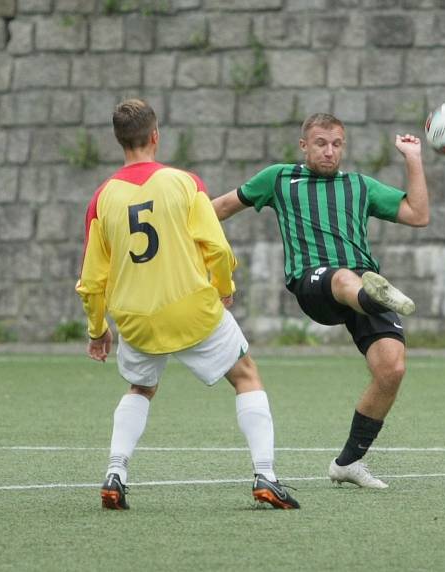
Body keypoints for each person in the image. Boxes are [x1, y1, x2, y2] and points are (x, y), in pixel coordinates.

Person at [75, 99, 299, 510]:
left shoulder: (102, 199)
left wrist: (97, 330)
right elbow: (215, 245)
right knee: (246, 375)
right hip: (192, 309)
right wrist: (224, 286)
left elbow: (91, 281)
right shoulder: (183, 183)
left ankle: (115, 472)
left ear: (118, 142)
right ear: (155, 136)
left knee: (141, 387)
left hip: (136, 318)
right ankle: (265, 476)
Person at [212, 113, 429, 489]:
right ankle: (374, 299)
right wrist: (182, 239)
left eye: (337, 144)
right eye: (321, 144)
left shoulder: (359, 186)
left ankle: (348, 462)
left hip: (361, 282)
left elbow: (418, 214)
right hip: (313, 282)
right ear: (304, 146)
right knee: (347, 278)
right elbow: (220, 209)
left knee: (391, 369)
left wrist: (412, 157)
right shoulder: (279, 178)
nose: (330, 152)